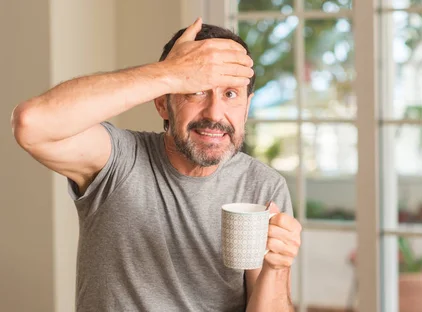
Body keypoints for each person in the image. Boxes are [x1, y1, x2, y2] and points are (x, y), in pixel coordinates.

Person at [11, 17, 302, 312]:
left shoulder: (262, 185)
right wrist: (169, 73)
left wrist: (277, 269)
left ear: (247, 107)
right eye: (196, 91)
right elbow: (31, 123)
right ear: (163, 103)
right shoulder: (118, 160)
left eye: (230, 94)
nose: (215, 113)